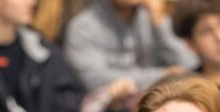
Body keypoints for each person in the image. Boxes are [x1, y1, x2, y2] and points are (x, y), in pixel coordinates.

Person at [63, 0, 198, 91]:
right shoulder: (83, 27)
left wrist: (160, 24)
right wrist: (161, 76)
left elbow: (191, 65)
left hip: (156, 101)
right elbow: (92, 80)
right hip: (109, 110)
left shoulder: (152, 18)